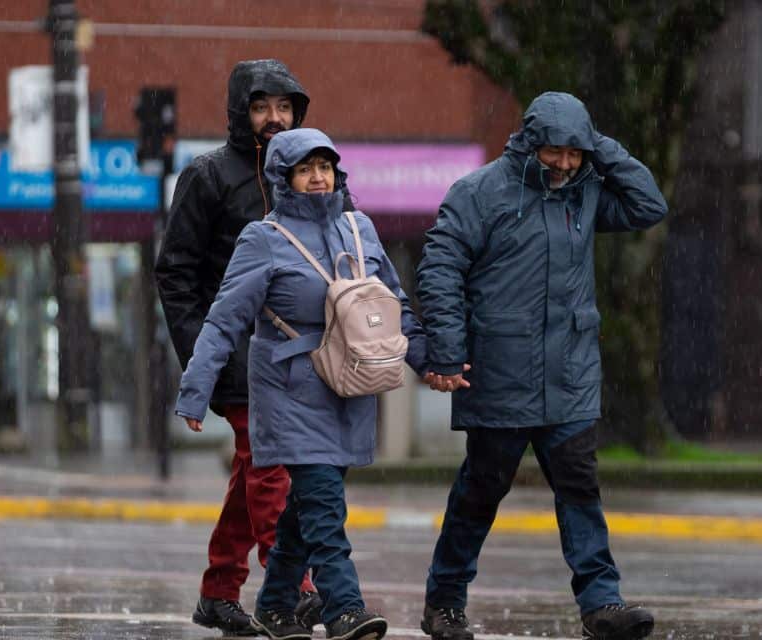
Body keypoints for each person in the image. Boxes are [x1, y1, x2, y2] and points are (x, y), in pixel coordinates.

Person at [416, 92, 668, 640]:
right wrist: (445, 348)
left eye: (575, 153)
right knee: (480, 493)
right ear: (530, 142)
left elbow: (650, 205)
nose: (566, 164)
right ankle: (444, 603)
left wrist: (595, 142)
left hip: (570, 378)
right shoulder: (479, 193)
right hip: (499, 377)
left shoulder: (587, 191)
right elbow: (440, 269)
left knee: (580, 489)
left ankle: (602, 604)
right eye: (556, 151)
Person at [175, 128, 427, 640]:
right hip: (290, 391)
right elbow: (224, 320)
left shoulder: (360, 229)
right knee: (324, 505)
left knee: (303, 510)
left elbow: (394, 307)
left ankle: (273, 606)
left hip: (350, 386)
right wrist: (195, 389)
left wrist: (432, 363)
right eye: (305, 168)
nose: (317, 177)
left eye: (325, 167)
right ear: (283, 178)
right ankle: (345, 609)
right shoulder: (262, 238)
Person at [155, 59, 338, 635]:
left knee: (251, 471)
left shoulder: (313, 172)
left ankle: (218, 589)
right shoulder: (207, 176)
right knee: (270, 466)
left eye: (285, 107)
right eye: (262, 107)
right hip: (237, 354)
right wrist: (202, 361)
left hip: (303, 354)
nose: (274, 119)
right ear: (241, 112)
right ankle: (298, 587)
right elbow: (176, 273)